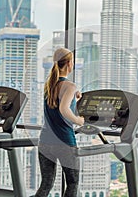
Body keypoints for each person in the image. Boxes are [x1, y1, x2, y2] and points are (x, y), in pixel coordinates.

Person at [35, 47, 84, 197]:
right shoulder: (70, 86)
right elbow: (63, 109)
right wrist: (78, 120)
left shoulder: (49, 84)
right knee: (72, 183)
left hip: (44, 142)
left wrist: (74, 96)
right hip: (64, 142)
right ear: (69, 63)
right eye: (73, 61)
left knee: (46, 184)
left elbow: (58, 101)